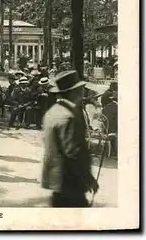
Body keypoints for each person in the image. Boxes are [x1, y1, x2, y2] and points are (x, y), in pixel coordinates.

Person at [41, 70, 99, 207]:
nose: (82, 93)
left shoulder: (52, 112)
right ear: (74, 92)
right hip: (71, 181)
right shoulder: (69, 116)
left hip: (55, 181)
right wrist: (88, 179)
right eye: (81, 89)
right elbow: (74, 153)